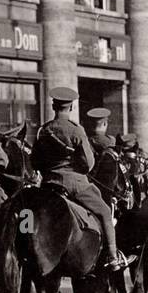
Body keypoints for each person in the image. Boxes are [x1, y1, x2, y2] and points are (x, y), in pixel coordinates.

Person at [31, 87, 127, 270]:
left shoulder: (43, 131)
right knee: (106, 212)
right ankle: (113, 256)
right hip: (75, 186)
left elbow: (35, 162)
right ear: (72, 107)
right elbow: (89, 164)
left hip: (49, 184)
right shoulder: (76, 130)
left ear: (53, 106)